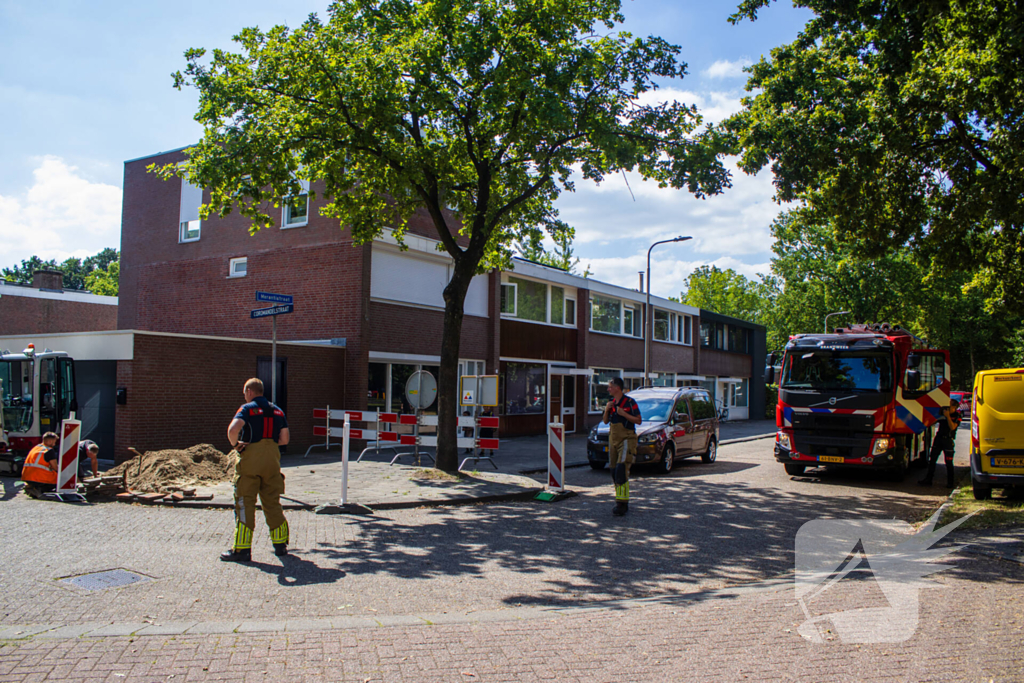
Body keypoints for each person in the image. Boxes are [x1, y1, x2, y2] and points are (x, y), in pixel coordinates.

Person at [221, 378, 291, 563]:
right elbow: (284, 439)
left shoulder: (246, 409)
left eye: (245, 393)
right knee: (273, 503)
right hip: (272, 462)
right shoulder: (278, 411)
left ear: (249, 392)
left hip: (250, 462)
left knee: (245, 503)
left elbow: (232, 429)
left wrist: (236, 445)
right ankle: (281, 546)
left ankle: (242, 550)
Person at [602, 377, 642, 516]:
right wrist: (607, 410)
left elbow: (638, 420)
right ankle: (619, 498)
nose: (608, 389)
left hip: (626, 438)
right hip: (613, 439)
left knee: (621, 469)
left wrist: (624, 414)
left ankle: (622, 504)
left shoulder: (630, 402)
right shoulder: (611, 403)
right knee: (613, 471)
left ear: (617, 388)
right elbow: (606, 421)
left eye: (610, 386)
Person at [919, 398, 962, 488]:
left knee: (949, 462)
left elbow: (953, 427)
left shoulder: (957, 415)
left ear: (954, 407)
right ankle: (928, 479)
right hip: (939, 439)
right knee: (932, 460)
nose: (946, 408)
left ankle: (950, 482)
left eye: (949, 406)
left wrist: (948, 417)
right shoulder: (942, 414)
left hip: (948, 440)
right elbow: (932, 421)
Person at [21, 432, 59, 498]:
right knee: (58, 480)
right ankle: (38, 490)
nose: (54, 444)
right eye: (54, 442)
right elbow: (55, 467)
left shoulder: (36, 448)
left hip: (27, 477)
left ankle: (32, 487)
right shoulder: (49, 451)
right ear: (50, 441)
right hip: (39, 478)